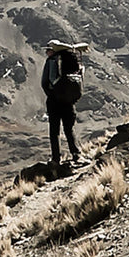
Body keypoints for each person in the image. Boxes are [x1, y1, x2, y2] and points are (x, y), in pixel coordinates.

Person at [41, 39, 88, 173]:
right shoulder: (71, 60)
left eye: (48, 50)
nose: (46, 52)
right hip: (68, 101)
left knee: (54, 131)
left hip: (55, 101)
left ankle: (56, 158)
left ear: (53, 50)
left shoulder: (52, 61)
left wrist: (53, 94)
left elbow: (45, 82)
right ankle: (76, 154)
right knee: (69, 128)